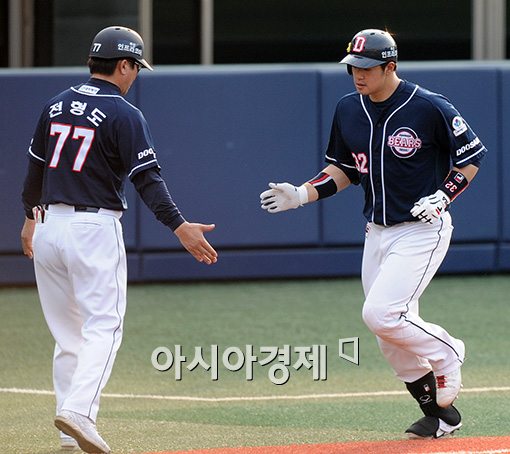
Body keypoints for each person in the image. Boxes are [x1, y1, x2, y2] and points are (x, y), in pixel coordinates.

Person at [260, 29, 487, 439]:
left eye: (366, 68)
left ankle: (448, 352)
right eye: (352, 68)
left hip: (423, 228)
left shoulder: (429, 106)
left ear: (390, 67)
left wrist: (443, 195)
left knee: (380, 314)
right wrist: (302, 194)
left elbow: (471, 156)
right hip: (377, 231)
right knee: (387, 334)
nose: (357, 76)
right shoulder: (349, 108)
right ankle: (441, 417)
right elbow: (343, 169)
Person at [20, 26, 218, 453]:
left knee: (68, 335)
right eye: (135, 67)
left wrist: (28, 216)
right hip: (93, 229)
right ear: (124, 64)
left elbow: (35, 168)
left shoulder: (55, 104)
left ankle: (66, 431)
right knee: (104, 327)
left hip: (48, 226)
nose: (136, 76)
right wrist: (178, 225)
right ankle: (79, 413)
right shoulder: (124, 113)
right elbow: (147, 179)